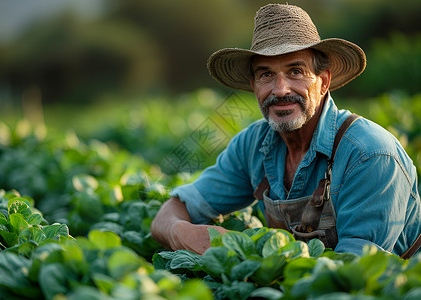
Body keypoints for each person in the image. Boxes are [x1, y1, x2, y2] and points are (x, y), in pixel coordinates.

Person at [151, 3, 421, 258]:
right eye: (266, 74)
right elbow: (169, 213)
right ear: (254, 85)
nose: (280, 90)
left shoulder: (371, 154)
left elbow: (352, 275)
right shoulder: (252, 145)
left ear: (323, 81)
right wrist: (181, 232)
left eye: (295, 71)